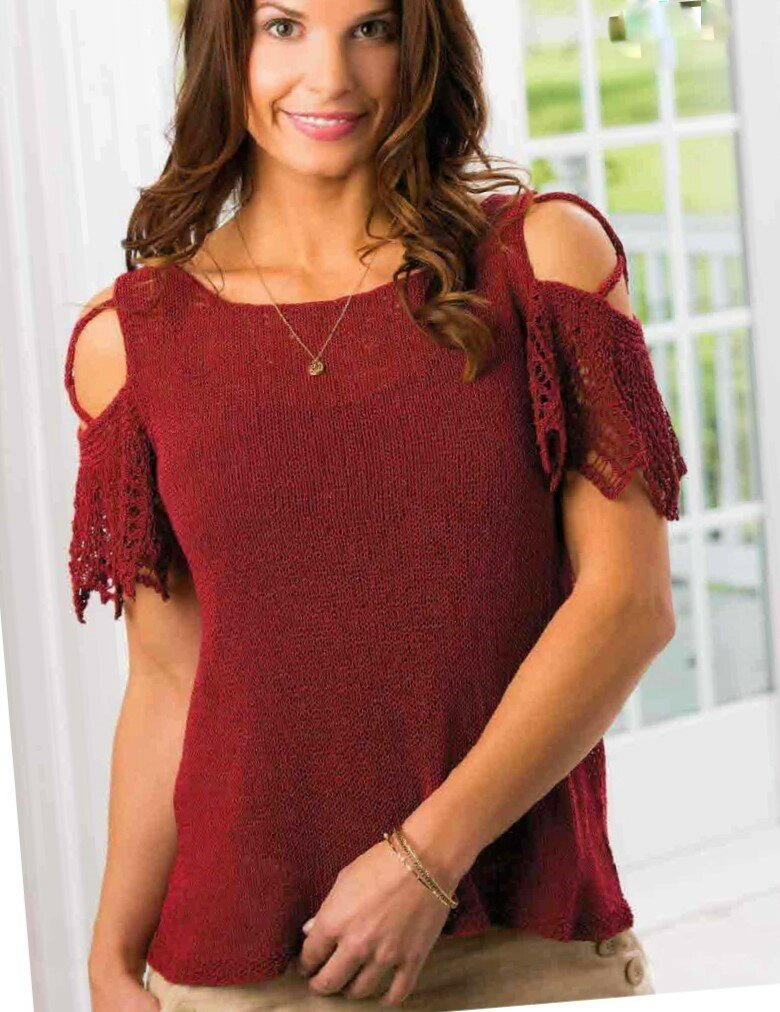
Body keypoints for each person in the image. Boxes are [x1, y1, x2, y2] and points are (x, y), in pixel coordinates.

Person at [64, 1, 687, 1009]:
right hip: (242, 971)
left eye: (372, 28)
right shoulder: (129, 343)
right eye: (283, 27)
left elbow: (628, 605)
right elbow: (170, 679)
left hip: (522, 943)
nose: (330, 77)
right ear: (224, 46)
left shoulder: (541, 261)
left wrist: (424, 860)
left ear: (424, 42)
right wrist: (108, 954)